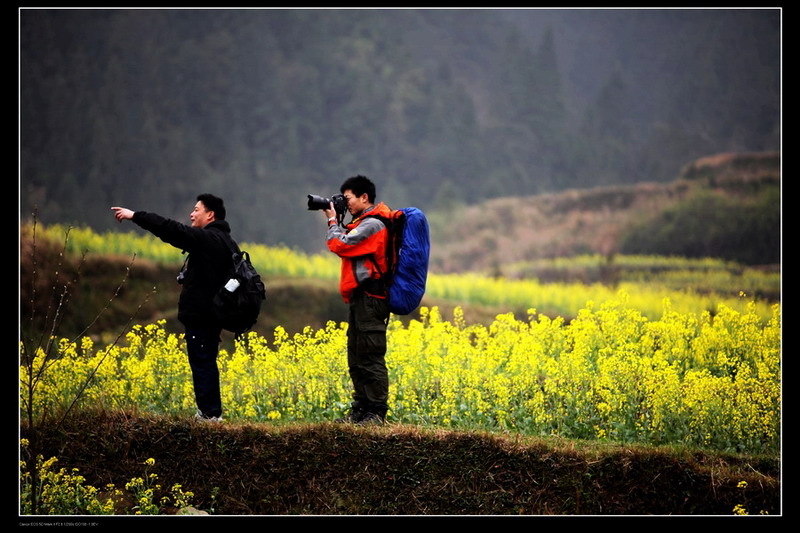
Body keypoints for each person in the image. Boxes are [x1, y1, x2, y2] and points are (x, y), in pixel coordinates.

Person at [111, 194, 233, 422]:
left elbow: (171, 229)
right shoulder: (226, 240)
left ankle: (209, 415)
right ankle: (210, 412)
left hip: (203, 314)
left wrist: (135, 216)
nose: (192, 213)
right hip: (213, 313)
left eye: (196, 209)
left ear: (210, 215)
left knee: (202, 361)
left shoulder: (208, 239)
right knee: (205, 360)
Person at [322, 175, 393, 425]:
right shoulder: (361, 223)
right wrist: (339, 219)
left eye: (348, 198)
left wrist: (332, 220)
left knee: (370, 355)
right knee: (356, 356)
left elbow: (340, 244)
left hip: (371, 298)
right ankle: (361, 410)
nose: (345, 203)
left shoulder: (373, 224)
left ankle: (376, 413)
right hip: (360, 297)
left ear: (365, 197)